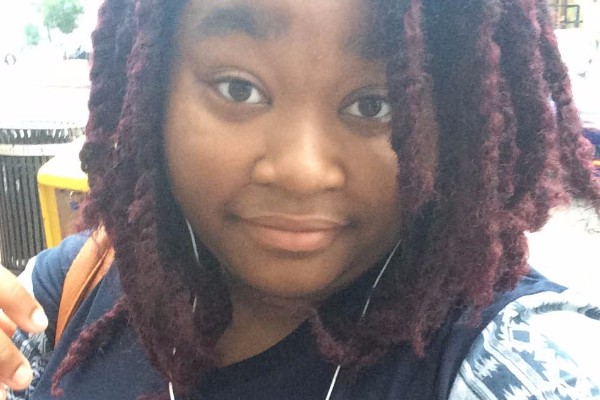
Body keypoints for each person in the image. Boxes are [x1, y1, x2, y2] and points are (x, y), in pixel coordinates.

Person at [1, 0, 600, 399]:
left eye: (375, 105)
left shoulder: (508, 358)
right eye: (239, 89)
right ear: (154, 90)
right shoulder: (76, 285)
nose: (301, 172)